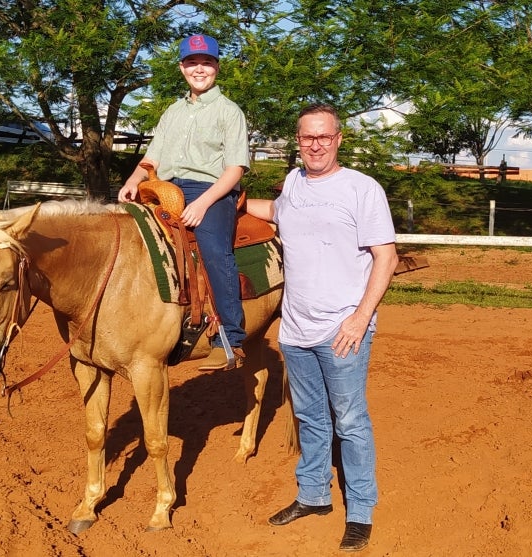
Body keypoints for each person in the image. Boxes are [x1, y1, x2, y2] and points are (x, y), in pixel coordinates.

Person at [246, 103, 399, 552]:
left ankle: (361, 511)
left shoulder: (361, 189)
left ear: (338, 140)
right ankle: (313, 495)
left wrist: (360, 317)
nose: (316, 144)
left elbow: (385, 257)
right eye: (307, 137)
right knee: (310, 416)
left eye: (324, 136)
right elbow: (275, 209)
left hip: (343, 329)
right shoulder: (293, 183)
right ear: (298, 141)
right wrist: (220, 198)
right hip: (295, 330)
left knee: (350, 421)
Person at [118, 34, 250, 371]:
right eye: (192, 62)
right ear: (181, 68)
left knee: (214, 250)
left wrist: (204, 203)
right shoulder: (172, 112)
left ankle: (229, 338)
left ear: (217, 67)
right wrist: (133, 181)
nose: (199, 69)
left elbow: (235, 168)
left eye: (206, 62)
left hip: (211, 189)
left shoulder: (229, 112)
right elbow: (152, 158)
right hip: (163, 187)